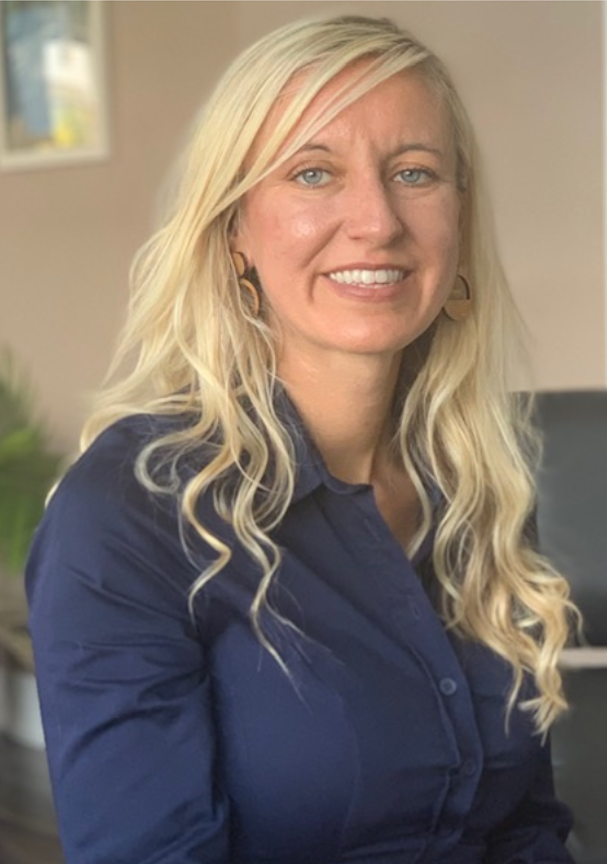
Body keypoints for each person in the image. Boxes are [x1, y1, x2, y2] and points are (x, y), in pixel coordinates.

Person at [26, 15, 578, 864]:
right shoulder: (128, 516)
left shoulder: (479, 483)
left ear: (460, 219)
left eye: (415, 173)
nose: (377, 221)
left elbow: (525, 828)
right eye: (314, 173)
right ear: (234, 231)